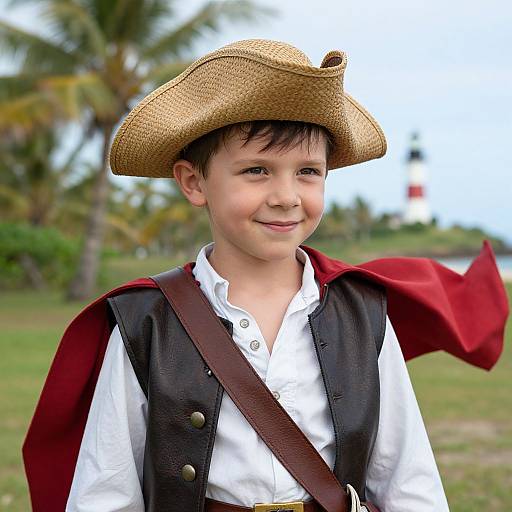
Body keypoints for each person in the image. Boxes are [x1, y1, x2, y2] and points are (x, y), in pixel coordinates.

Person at [23, 39, 508, 512]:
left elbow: (408, 480)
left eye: (308, 172)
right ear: (194, 182)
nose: (286, 195)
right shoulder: (144, 323)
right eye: (257, 170)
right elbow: (104, 493)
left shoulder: (363, 312)